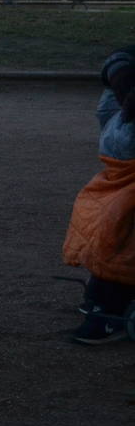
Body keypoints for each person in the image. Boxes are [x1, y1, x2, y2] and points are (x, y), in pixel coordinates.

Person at [62, 45, 135, 343]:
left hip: (119, 134)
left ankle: (103, 296)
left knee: (117, 219)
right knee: (123, 226)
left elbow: (117, 60)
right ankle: (109, 304)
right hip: (125, 134)